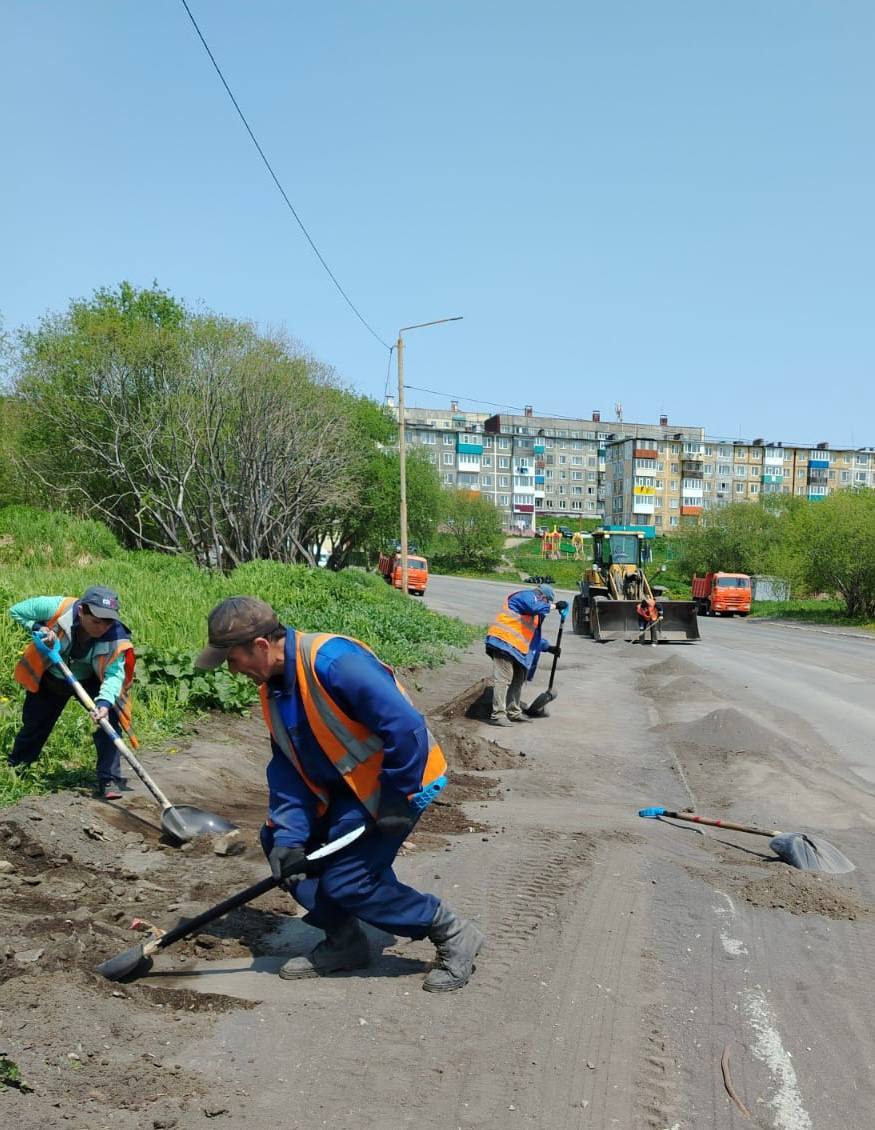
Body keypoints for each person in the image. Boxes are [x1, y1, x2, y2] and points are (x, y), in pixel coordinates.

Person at [195, 596, 484, 992]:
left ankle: (451, 931)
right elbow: (287, 768)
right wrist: (289, 837)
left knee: (349, 881)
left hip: (394, 784)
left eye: (233, 660)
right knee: (282, 849)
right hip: (344, 790)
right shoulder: (273, 689)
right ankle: (345, 940)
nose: (233, 670)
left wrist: (396, 799)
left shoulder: (334, 663)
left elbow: (406, 728)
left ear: (260, 646)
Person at [6, 587, 135, 798]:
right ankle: (17, 769)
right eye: (96, 622)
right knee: (35, 724)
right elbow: (16, 611)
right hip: (53, 675)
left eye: (108, 622)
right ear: (82, 611)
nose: (103, 628)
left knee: (109, 720)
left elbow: (114, 674)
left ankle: (109, 778)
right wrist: (38, 627)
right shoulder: (57, 607)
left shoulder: (116, 636)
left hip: (91, 678)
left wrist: (103, 703)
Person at [485, 584, 565, 726]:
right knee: (503, 679)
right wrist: (554, 606)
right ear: (542, 597)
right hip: (503, 642)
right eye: (546, 602)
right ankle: (498, 715)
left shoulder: (535, 613)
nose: (545, 606)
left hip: (516, 649)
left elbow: (532, 637)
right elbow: (533, 607)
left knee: (518, 679)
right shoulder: (526, 596)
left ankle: (513, 712)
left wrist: (548, 647)